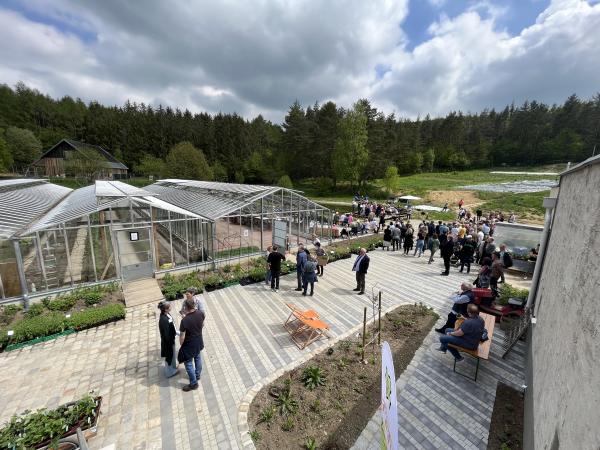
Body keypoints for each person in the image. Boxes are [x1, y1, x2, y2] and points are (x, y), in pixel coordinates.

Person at [178, 297, 205, 391]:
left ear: (185, 307)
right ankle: (197, 375)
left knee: (188, 363)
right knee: (198, 358)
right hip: (199, 341)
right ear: (194, 305)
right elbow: (202, 325)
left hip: (189, 345)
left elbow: (182, 337)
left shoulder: (184, 321)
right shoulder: (200, 313)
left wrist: (181, 345)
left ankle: (193, 383)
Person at [158, 301, 178, 378]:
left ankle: (172, 368)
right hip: (168, 342)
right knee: (169, 357)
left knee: (172, 355)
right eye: (169, 306)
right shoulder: (163, 320)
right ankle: (169, 373)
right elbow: (166, 335)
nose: (171, 307)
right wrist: (171, 342)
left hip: (171, 338)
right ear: (166, 309)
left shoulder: (166, 314)